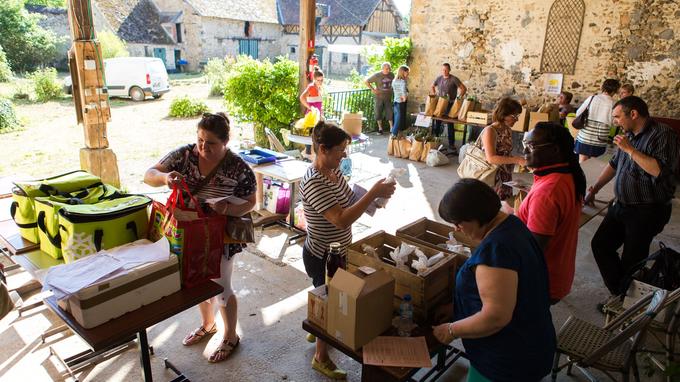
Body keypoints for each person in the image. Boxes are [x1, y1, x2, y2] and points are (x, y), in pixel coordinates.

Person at [144, 112, 256, 363]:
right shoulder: (184, 155)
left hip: (220, 235)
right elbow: (149, 174)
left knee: (221, 285)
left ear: (226, 141)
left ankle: (230, 336)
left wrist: (227, 209)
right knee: (197, 280)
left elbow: (251, 202)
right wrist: (164, 178)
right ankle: (208, 325)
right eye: (200, 140)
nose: (203, 147)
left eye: (211, 143)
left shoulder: (238, 168)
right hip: (187, 232)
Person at [433, 179, 556, 382]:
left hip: (506, 360)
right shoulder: (511, 224)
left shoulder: (496, 251)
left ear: (475, 217)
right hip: (529, 343)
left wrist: (451, 330)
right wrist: (458, 308)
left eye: (458, 223)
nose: (456, 229)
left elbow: (495, 317)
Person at [300, 121, 395, 380]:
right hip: (322, 255)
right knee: (331, 303)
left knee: (326, 295)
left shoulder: (334, 171)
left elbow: (349, 200)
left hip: (338, 249)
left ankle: (318, 326)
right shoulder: (313, 181)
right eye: (341, 149)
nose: (345, 154)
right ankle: (321, 357)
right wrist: (374, 191)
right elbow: (340, 219)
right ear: (323, 149)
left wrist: (374, 200)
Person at [586, 96, 679, 301]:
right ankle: (621, 292)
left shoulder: (663, 134)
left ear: (633, 114)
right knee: (600, 245)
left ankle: (623, 301)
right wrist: (595, 189)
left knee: (632, 259)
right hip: (621, 206)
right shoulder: (628, 135)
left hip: (647, 210)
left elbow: (659, 171)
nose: (615, 122)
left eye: (618, 117)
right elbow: (613, 164)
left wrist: (630, 150)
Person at [517, 122, 586, 304]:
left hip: (539, 282)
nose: (524, 152)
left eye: (531, 146)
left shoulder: (548, 192)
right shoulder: (567, 174)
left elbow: (534, 250)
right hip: (558, 274)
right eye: (525, 145)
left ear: (555, 150)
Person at [480, 97, 527, 210]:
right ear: (503, 114)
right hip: (491, 177)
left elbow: (505, 154)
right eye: (514, 116)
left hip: (504, 177)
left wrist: (521, 161)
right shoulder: (490, 131)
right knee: (490, 207)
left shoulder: (507, 130)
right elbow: (491, 158)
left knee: (503, 207)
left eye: (517, 116)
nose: (516, 120)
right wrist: (517, 160)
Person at [574, 79, 620, 162]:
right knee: (593, 164)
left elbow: (578, 113)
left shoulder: (592, 98)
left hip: (585, 135)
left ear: (603, 87)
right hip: (600, 138)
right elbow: (615, 123)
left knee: (582, 162)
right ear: (615, 90)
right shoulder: (614, 104)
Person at [430, 63, 467, 152]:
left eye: (446, 70)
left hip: (450, 104)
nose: (444, 71)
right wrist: (434, 94)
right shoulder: (439, 78)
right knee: (437, 122)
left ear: (449, 70)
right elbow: (432, 86)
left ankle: (451, 144)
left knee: (450, 124)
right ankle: (436, 141)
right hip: (440, 103)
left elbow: (463, 88)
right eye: (443, 70)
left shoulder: (454, 79)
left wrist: (458, 98)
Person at [365, 62, 395, 134]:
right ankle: (380, 128)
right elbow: (366, 82)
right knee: (378, 112)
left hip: (388, 97)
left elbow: (395, 82)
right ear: (382, 68)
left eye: (389, 68)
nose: (388, 70)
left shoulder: (391, 75)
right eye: (386, 68)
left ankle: (391, 128)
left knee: (390, 113)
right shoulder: (377, 75)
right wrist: (373, 89)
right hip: (379, 97)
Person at [391, 65, 410, 136]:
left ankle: (395, 135)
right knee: (398, 121)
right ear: (403, 72)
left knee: (396, 119)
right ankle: (393, 135)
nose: (408, 74)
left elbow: (395, 91)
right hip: (401, 103)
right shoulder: (402, 82)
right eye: (407, 73)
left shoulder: (394, 80)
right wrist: (405, 97)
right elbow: (403, 92)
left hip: (395, 101)